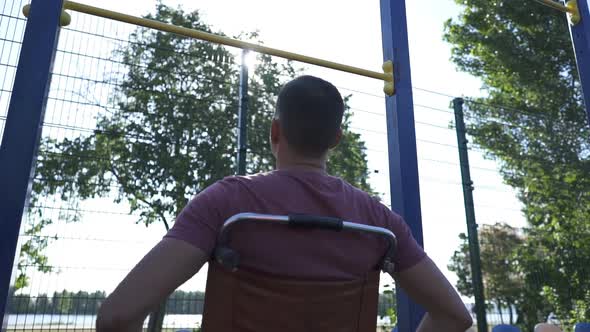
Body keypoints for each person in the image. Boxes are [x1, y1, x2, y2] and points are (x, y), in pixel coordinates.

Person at [96, 75, 473, 332]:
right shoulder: (378, 221)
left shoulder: (228, 203)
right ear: (337, 138)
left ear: (275, 131)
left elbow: (117, 317)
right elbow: (454, 316)